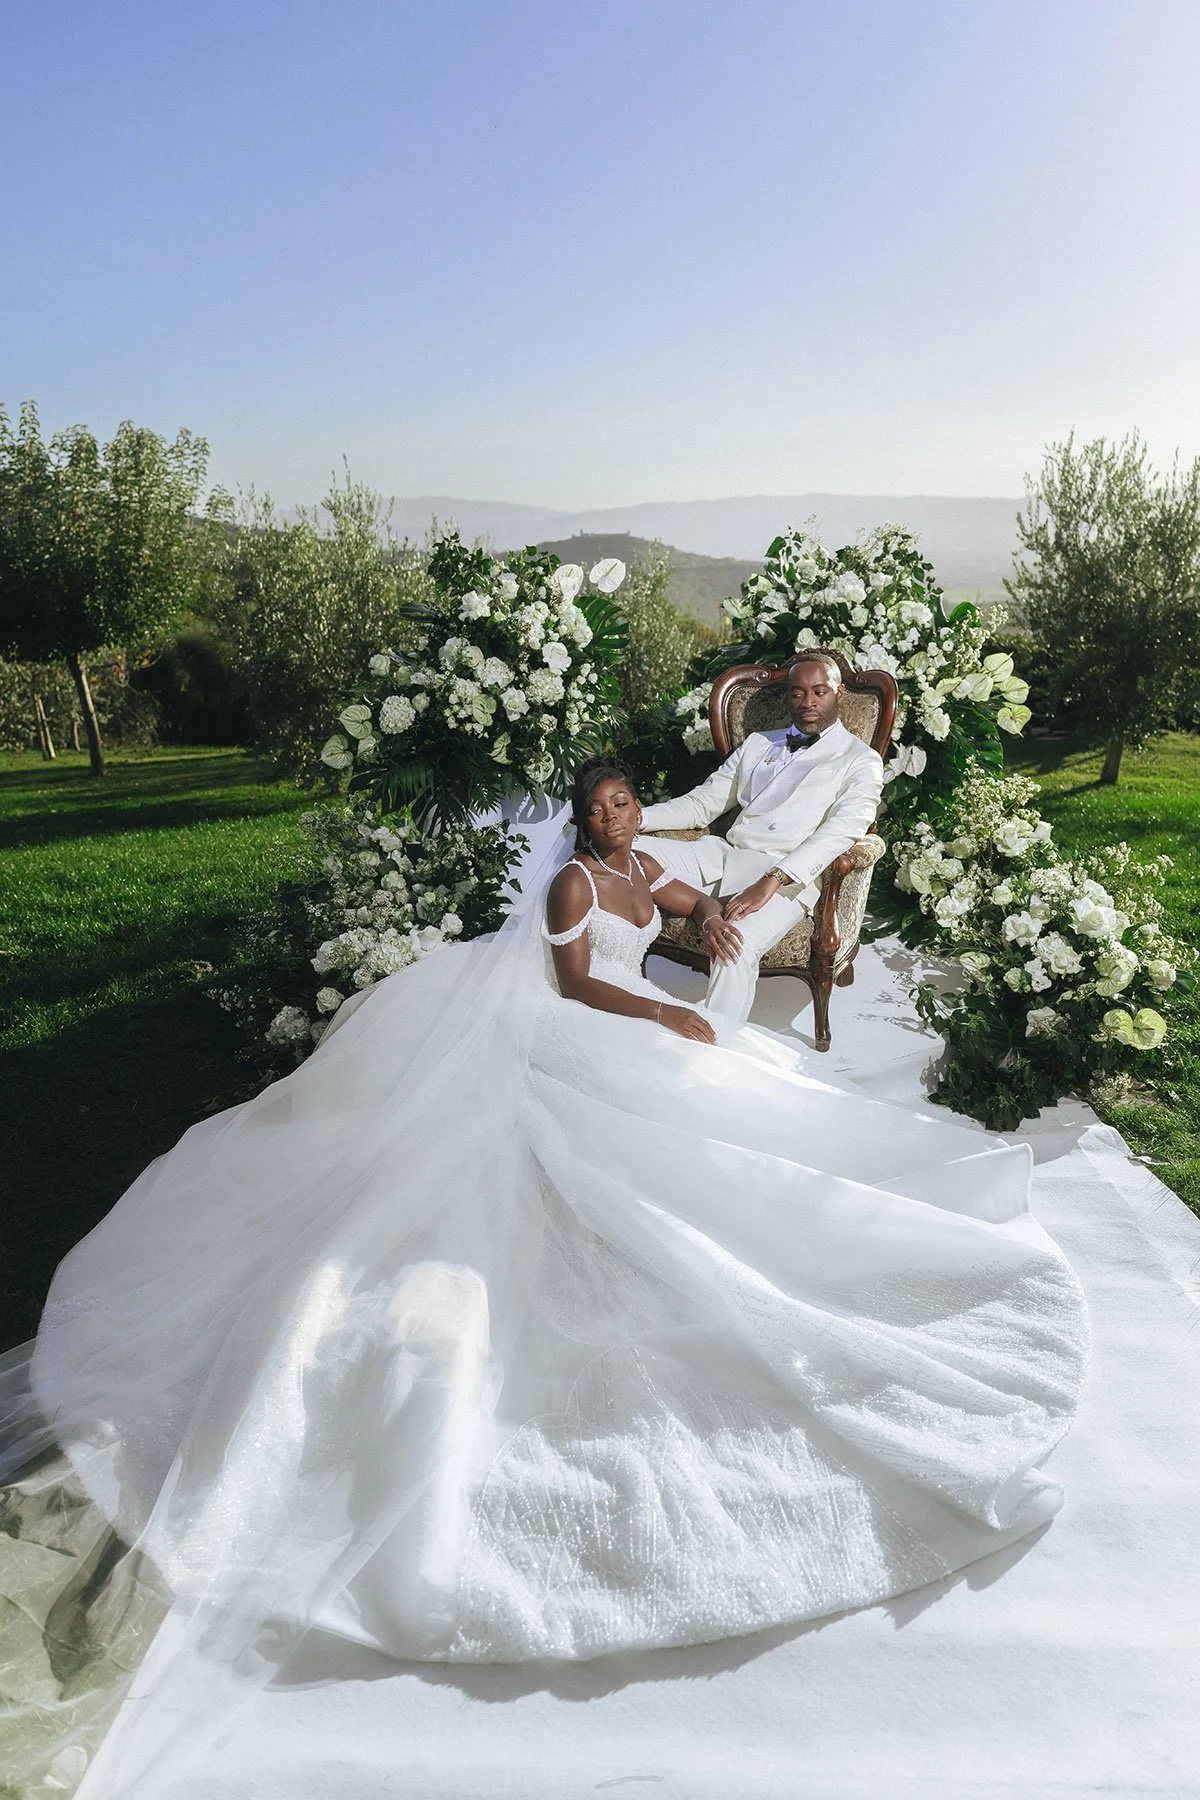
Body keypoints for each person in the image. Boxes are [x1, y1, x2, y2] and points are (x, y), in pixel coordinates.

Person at [0, 755, 1087, 1797]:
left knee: (744, 1091)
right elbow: (574, 985)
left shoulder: (639, 864)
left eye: (627, 805)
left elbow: (671, 896)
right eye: (605, 808)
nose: (618, 819)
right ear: (584, 819)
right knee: (665, 1098)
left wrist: (707, 915)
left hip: (624, 1012)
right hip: (570, 1026)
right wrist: (662, 1007)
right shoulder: (574, 880)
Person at [635, 653, 885, 1021]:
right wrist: (637, 818)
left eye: (820, 692)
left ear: (840, 694)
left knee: (733, 946)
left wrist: (772, 880)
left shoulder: (860, 759)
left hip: (787, 878)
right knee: (619, 853)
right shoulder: (758, 743)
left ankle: (713, 1049)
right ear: (787, 697)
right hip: (724, 854)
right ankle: (614, 990)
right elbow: (703, 804)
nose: (808, 703)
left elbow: (841, 831)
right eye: (798, 693)